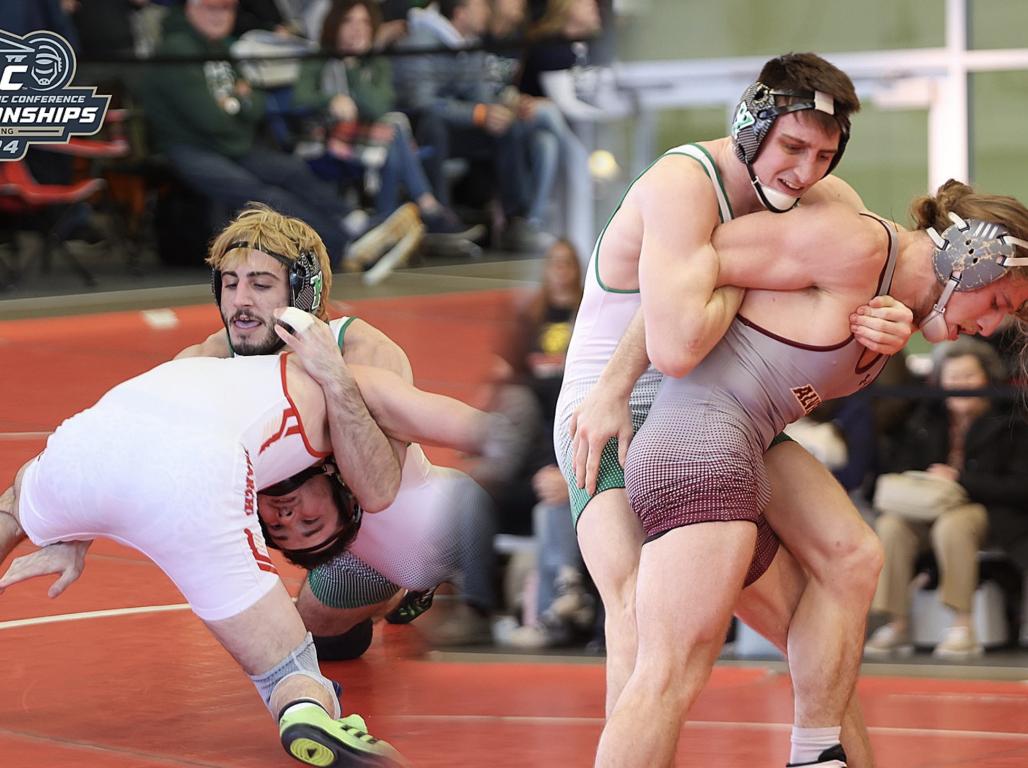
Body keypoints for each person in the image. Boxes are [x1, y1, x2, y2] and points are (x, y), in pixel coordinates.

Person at [595, 177, 1028, 767]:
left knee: (855, 556)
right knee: (668, 673)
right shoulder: (853, 244)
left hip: (750, 438)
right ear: (968, 259)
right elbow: (689, 265)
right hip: (694, 439)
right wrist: (610, 390)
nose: (989, 327)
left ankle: (815, 752)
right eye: (1000, 303)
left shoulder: (889, 296)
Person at [560, 53, 913, 768]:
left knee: (821, 639)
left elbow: (851, 302)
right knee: (637, 611)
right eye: (791, 147)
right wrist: (756, 276)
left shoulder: (827, 202)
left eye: (822, 154)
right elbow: (678, 342)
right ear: (750, 128)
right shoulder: (682, 182)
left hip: (721, 414)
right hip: (618, 404)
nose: (803, 172)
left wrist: (889, 323)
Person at [0, 308, 496, 767]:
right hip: (346, 548)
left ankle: (434, 589)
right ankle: (319, 691)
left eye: (260, 284)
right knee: (313, 651)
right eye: (284, 529)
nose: (284, 517)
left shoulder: (360, 362)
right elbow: (141, 449)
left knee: (12, 508)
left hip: (450, 527)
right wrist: (75, 531)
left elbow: (104, 453)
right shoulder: (218, 355)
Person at [179, 203, 500, 655]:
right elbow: (129, 440)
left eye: (260, 284)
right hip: (357, 555)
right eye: (230, 284)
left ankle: (462, 577)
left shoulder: (362, 351)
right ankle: (403, 594)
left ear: (302, 294)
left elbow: (377, 489)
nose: (240, 302)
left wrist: (333, 377)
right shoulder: (209, 360)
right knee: (325, 644)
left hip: (437, 525)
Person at [142, 0, 420, 272]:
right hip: (190, 148)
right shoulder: (174, 51)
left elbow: (257, 103)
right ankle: (339, 245)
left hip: (232, 144)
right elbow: (209, 119)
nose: (221, 15)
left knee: (291, 170)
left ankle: (355, 222)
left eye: (228, 8)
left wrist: (234, 107)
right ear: (190, 7)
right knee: (261, 195)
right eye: (212, 7)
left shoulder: (222, 47)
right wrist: (238, 105)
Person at [864, 337, 1028, 660]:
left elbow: (1020, 487)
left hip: (990, 513)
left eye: (969, 377)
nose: (960, 385)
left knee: (955, 524)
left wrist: (960, 481)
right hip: (927, 510)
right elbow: (900, 467)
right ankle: (896, 623)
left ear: (987, 378)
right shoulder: (924, 421)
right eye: (953, 378)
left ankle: (962, 623)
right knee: (893, 525)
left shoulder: (1012, 423)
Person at [292, 0, 484, 240]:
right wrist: (330, 100)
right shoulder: (319, 58)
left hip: (368, 138)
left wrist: (353, 67)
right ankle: (425, 208)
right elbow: (299, 99)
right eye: (349, 21)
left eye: (363, 22)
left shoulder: (376, 63)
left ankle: (384, 226)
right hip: (325, 139)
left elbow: (378, 106)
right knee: (394, 133)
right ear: (334, 25)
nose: (357, 29)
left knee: (392, 137)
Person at [392, 0, 550, 251]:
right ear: (460, 12)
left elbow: (481, 96)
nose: (487, 11)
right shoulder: (420, 41)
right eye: (481, 5)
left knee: (509, 127)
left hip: (456, 128)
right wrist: (477, 114)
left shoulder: (470, 43)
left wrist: (498, 110)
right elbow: (421, 103)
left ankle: (515, 221)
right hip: (416, 132)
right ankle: (438, 222)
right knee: (434, 125)